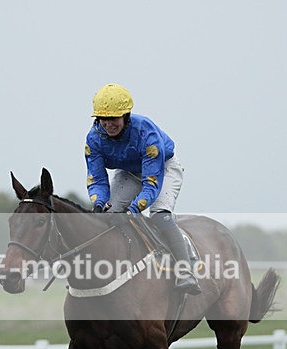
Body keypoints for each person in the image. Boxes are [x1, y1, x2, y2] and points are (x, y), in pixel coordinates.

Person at [84, 83, 201, 295]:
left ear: (126, 116)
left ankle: (185, 270)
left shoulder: (146, 132)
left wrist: (133, 210)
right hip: (128, 172)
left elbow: (151, 184)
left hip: (162, 169)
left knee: (160, 216)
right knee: (109, 215)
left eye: (114, 118)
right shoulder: (93, 139)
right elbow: (97, 180)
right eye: (104, 119)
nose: (109, 124)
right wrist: (99, 204)